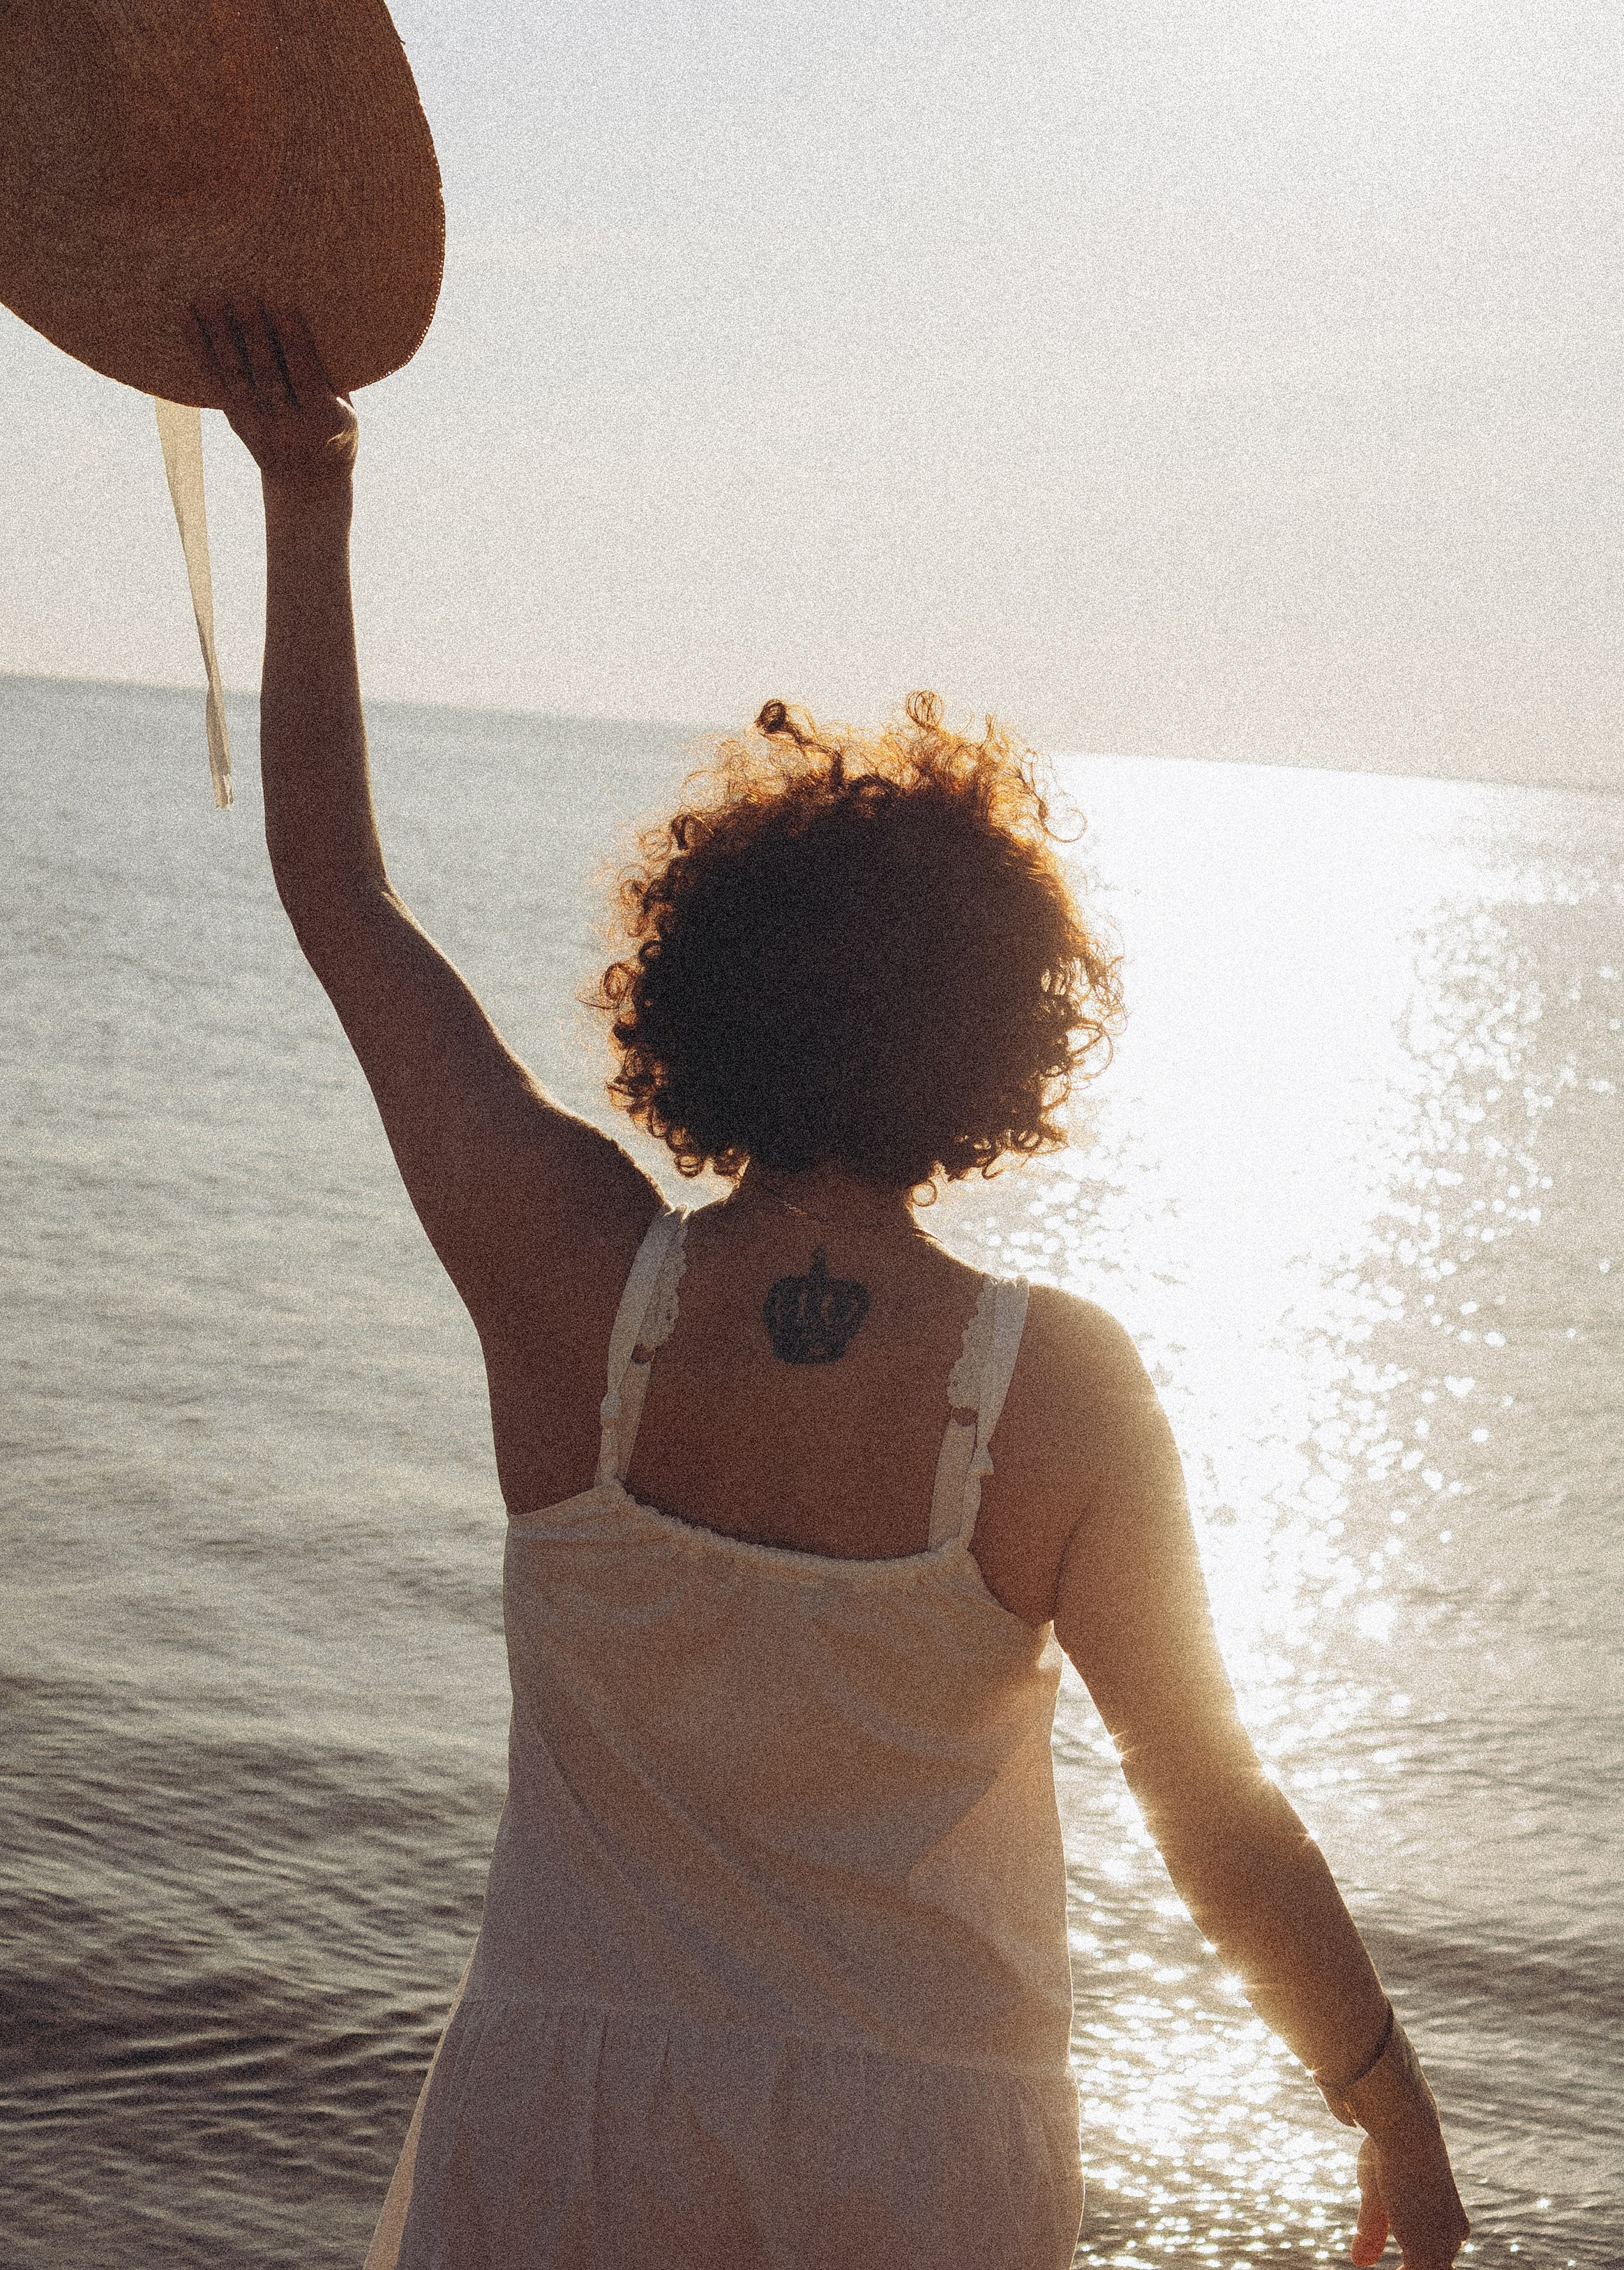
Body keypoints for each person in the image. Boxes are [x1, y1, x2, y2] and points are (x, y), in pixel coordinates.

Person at [188, 297, 1471, 2270]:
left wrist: (307, 501)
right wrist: (1382, 2094)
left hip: (565, 2124)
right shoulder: (1057, 1393)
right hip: (922, 2164)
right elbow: (1209, 1804)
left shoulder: (570, 1280)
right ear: (1001, 1041)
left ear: (696, 985)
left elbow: (337, 892)